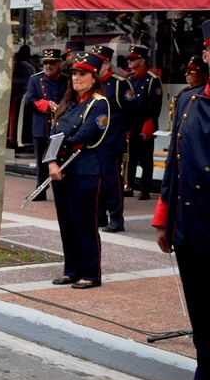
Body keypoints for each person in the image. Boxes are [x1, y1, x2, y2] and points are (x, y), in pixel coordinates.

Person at [152, 20, 210, 380]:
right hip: (191, 223)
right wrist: (163, 218)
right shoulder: (190, 101)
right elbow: (174, 165)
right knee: (202, 313)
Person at [44, 51, 110, 289]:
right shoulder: (68, 103)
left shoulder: (99, 104)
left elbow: (84, 136)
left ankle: (91, 273)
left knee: (84, 223)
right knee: (67, 223)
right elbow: (53, 134)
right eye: (74, 74)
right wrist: (51, 161)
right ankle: (71, 269)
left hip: (85, 169)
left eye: (82, 74)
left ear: (94, 78)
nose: (76, 78)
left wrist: (59, 146)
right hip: (60, 170)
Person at [91, 45, 136, 233]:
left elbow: (132, 112)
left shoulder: (119, 84)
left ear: (107, 64)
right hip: (94, 142)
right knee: (97, 181)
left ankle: (117, 219)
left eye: (98, 62)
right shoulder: (94, 83)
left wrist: (125, 133)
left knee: (112, 182)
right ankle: (100, 216)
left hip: (112, 141)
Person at [22, 49, 68, 201]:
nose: (47, 66)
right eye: (45, 63)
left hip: (61, 125)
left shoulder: (66, 80)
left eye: (51, 63)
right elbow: (29, 99)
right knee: (41, 161)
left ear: (58, 63)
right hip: (42, 125)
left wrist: (60, 107)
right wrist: (46, 105)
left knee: (60, 159)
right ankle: (40, 188)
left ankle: (62, 190)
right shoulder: (35, 79)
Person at [125, 44, 162, 200]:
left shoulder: (152, 79)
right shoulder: (128, 78)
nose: (129, 61)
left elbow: (155, 103)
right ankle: (129, 185)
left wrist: (150, 124)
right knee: (129, 157)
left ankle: (145, 189)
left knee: (145, 159)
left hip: (144, 122)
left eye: (133, 59)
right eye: (129, 59)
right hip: (130, 123)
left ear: (142, 60)